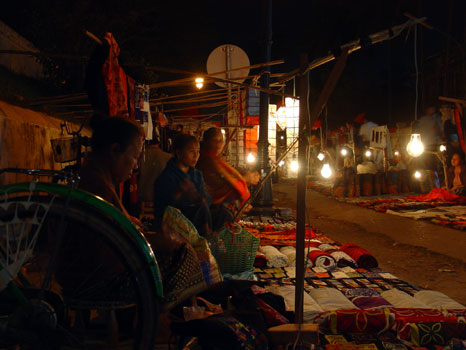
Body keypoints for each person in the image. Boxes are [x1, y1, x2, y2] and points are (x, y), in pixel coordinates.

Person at [57, 116, 206, 311]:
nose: (136, 166)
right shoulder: (96, 186)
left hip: (87, 276)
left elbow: (119, 230)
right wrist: (158, 242)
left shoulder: (97, 177)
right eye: (134, 156)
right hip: (96, 283)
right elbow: (112, 247)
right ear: (114, 151)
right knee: (185, 256)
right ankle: (157, 319)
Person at [197, 127, 259, 230]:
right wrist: (245, 179)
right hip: (211, 209)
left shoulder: (216, 159)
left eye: (220, 140)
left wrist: (243, 177)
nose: (218, 144)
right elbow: (223, 184)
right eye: (214, 140)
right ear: (207, 142)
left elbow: (228, 176)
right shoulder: (208, 160)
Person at [153, 133, 212, 237]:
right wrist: (179, 193)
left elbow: (206, 199)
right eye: (191, 151)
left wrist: (200, 197)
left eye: (198, 152)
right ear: (178, 153)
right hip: (176, 222)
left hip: (197, 217)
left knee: (222, 214)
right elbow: (163, 208)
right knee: (201, 209)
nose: (196, 156)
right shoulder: (167, 176)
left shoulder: (197, 174)